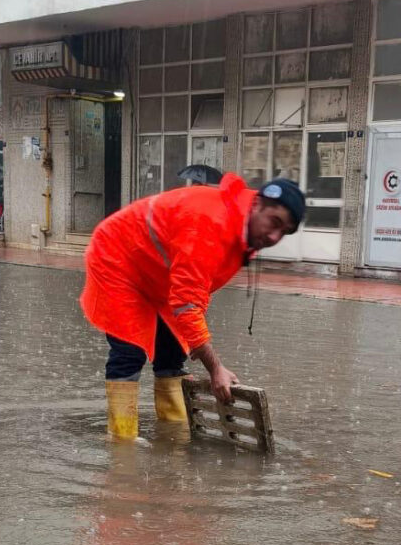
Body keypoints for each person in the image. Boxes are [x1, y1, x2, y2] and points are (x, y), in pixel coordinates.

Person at [80, 174, 305, 440]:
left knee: (173, 353)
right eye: (274, 222)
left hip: (160, 273)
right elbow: (187, 304)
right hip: (118, 260)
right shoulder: (211, 223)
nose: (274, 236)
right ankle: (122, 441)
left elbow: (191, 296)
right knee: (130, 352)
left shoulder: (241, 228)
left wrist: (197, 340)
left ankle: (175, 433)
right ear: (257, 204)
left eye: (284, 232)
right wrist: (215, 369)